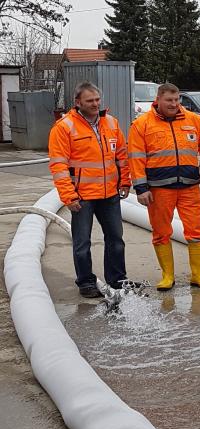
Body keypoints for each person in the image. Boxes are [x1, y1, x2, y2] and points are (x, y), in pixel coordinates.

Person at [129, 83, 200, 291]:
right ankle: (168, 276)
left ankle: (198, 275)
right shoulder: (142, 124)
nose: (174, 104)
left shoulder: (194, 120)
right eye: (169, 100)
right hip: (159, 189)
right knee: (161, 232)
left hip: (189, 186)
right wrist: (141, 188)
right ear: (158, 100)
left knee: (197, 230)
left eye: (177, 100)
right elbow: (135, 157)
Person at [48, 82, 131, 298]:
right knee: (82, 242)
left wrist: (125, 182)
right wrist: (68, 195)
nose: (95, 104)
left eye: (97, 100)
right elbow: (58, 165)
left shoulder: (111, 123)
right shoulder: (64, 127)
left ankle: (117, 279)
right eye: (89, 101)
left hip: (109, 194)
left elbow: (121, 155)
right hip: (82, 196)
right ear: (78, 103)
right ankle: (86, 282)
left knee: (116, 239)